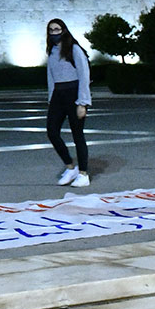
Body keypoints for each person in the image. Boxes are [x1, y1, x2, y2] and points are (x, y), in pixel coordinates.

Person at [44, 18, 92, 188]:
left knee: (77, 135)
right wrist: (51, 99)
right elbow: (51, 76)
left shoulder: (74, 49)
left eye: (57, 29)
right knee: (52, 131)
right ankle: (70, 166)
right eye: (51, 30)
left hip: (73, 93)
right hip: (58, 94)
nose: (54, 33)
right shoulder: (51, 51)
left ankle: (83, 174)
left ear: (64, 30)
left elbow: (84, 75)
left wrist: (83, 102)